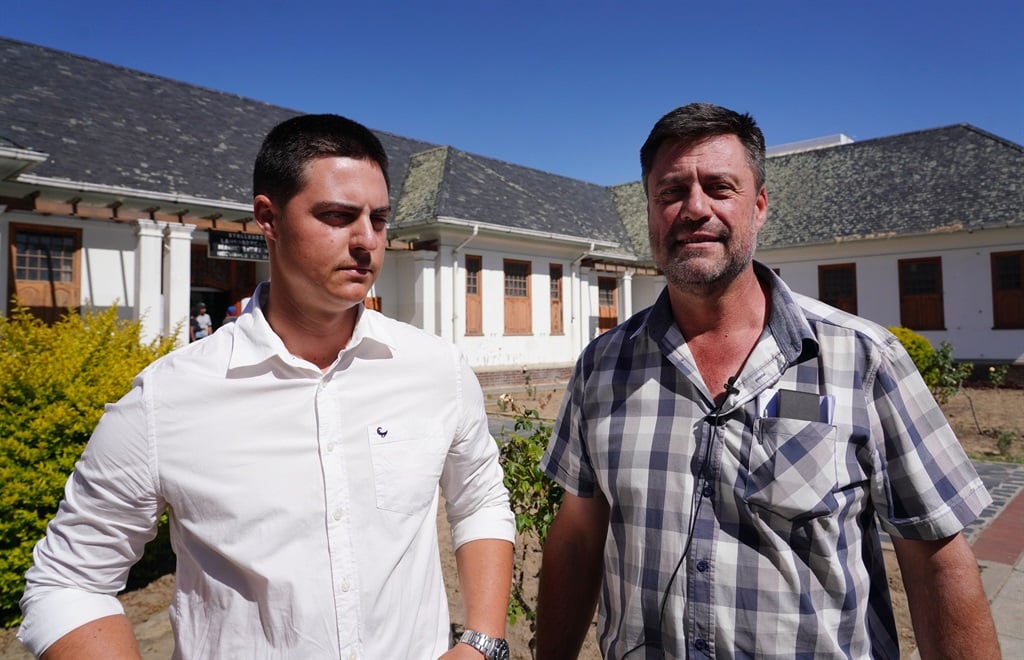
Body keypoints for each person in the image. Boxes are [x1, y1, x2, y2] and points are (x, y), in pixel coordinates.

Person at [19, 114, 515, 659]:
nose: (366, 240)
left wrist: (481, 641)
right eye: (336, 215)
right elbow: (67, 583)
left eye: (379, 218)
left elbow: (480, 501)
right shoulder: (169, 398)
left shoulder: (435, 369)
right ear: (268, 218)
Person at [536, 103, 1000, 658]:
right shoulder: (602, 368)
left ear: (759, 207)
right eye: (671, 191)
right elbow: (578, 537)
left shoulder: (864, 359)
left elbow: (937, 562)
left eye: (720, 187)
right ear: (651, 212)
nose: (694, 208)